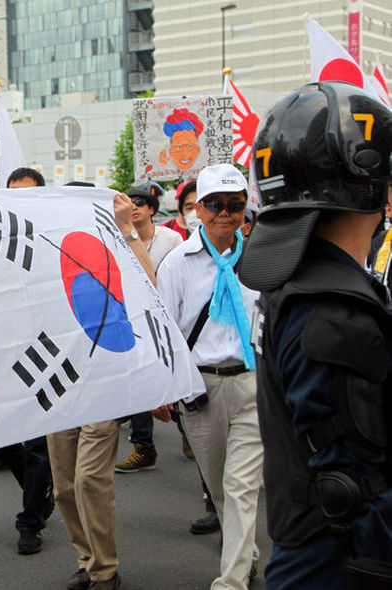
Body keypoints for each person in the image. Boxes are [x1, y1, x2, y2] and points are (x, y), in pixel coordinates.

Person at [240, 81, 392, 589]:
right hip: (341, 565)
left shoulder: (295, 281)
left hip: (305, 545)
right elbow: (351, 485)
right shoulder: (335, 307)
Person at [156, 163, 263, 590]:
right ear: (196, 210)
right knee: (220, 486)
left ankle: (232, 581)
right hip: (200, 388)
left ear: (244, 210)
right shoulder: (176, 263)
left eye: (234, 205)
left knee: (241, 486)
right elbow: (165, 333)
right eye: (215, 204)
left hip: (253, 383)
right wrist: (163, 389)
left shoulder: (261, 259)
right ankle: (246, 553)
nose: (225, 213)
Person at [49, 188, 159, 590]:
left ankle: (105, 569)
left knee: (90, 480)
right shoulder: (45, 246)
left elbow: (149, 284)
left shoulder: (111, 239)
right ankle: (86, 557)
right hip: (60, 385)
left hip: (103, 383)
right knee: (63, 485)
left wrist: (126, 227)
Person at [0, 166, 56, 556]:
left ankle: (30, 522)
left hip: (46, 352)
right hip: (1, 353)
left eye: (27, 193)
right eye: (13, 193)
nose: (20, 200)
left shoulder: (53, 238)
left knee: (36, 446)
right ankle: (39, 494)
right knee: (5, 439)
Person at [115, 180, 182, 474]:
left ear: (152, 209)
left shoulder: (171, 240)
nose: (133, 208)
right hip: (133, 322)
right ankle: (144, 447)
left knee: (172, 381)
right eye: (129, 203)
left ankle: (188, 430)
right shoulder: (116, 237)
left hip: (167, 320)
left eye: (139, 203)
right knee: (140, 382)